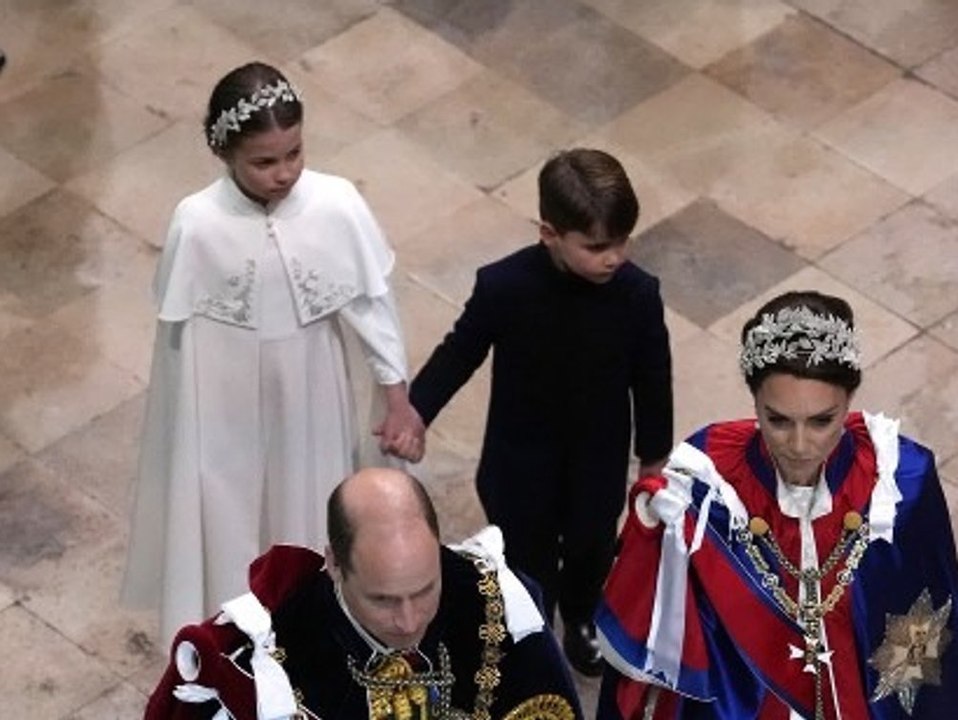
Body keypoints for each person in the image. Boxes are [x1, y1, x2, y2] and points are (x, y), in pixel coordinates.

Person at [122, 61, 424, 645]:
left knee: (309, 502)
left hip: (309, 385)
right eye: (264, 162)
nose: (283, 173)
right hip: (222, 396)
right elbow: (177, 343)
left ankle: (310, 628)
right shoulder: (197, 222)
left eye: (294, 153)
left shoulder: (334, 204)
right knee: (226, 510)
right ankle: (233, 638)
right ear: (224, 153)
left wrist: (396, 394)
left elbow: (369, 304)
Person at [596, 290, 958, 719]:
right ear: (754, 402)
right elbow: (669, 617)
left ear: (849, 399)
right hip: (746, 699)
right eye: (778, 420)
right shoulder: (706, 482)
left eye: (823, 420)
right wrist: (653, 530)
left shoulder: (902, 481)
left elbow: (927, 623)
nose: (801, 446)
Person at [409, 148, 674, 676]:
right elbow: (460, 350)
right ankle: (531, 627)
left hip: (595, 458)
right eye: (597, 246)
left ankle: (580, 619)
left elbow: (653, 375)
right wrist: (416, 412)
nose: (614, 257)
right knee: (524, 553)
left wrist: (653, 456)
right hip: (518, 458)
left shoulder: (637, 294)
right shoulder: (504, 287)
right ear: (549, 233)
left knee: (591, 546)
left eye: (622, 242)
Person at [143, 467, 583, 720]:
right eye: (384, 600)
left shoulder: (492, 602)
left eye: (425, 589)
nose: (410, 622)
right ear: (334, 564)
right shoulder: (265, 672)